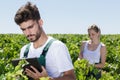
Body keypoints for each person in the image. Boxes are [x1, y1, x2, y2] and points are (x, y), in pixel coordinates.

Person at [14, 2, 76, 80]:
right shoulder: (24, 51)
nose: (28, 33)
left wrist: (47, 79)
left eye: (30, 27)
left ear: (40, 22)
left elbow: (71, 77)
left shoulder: (57, 47)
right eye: (23, 29)